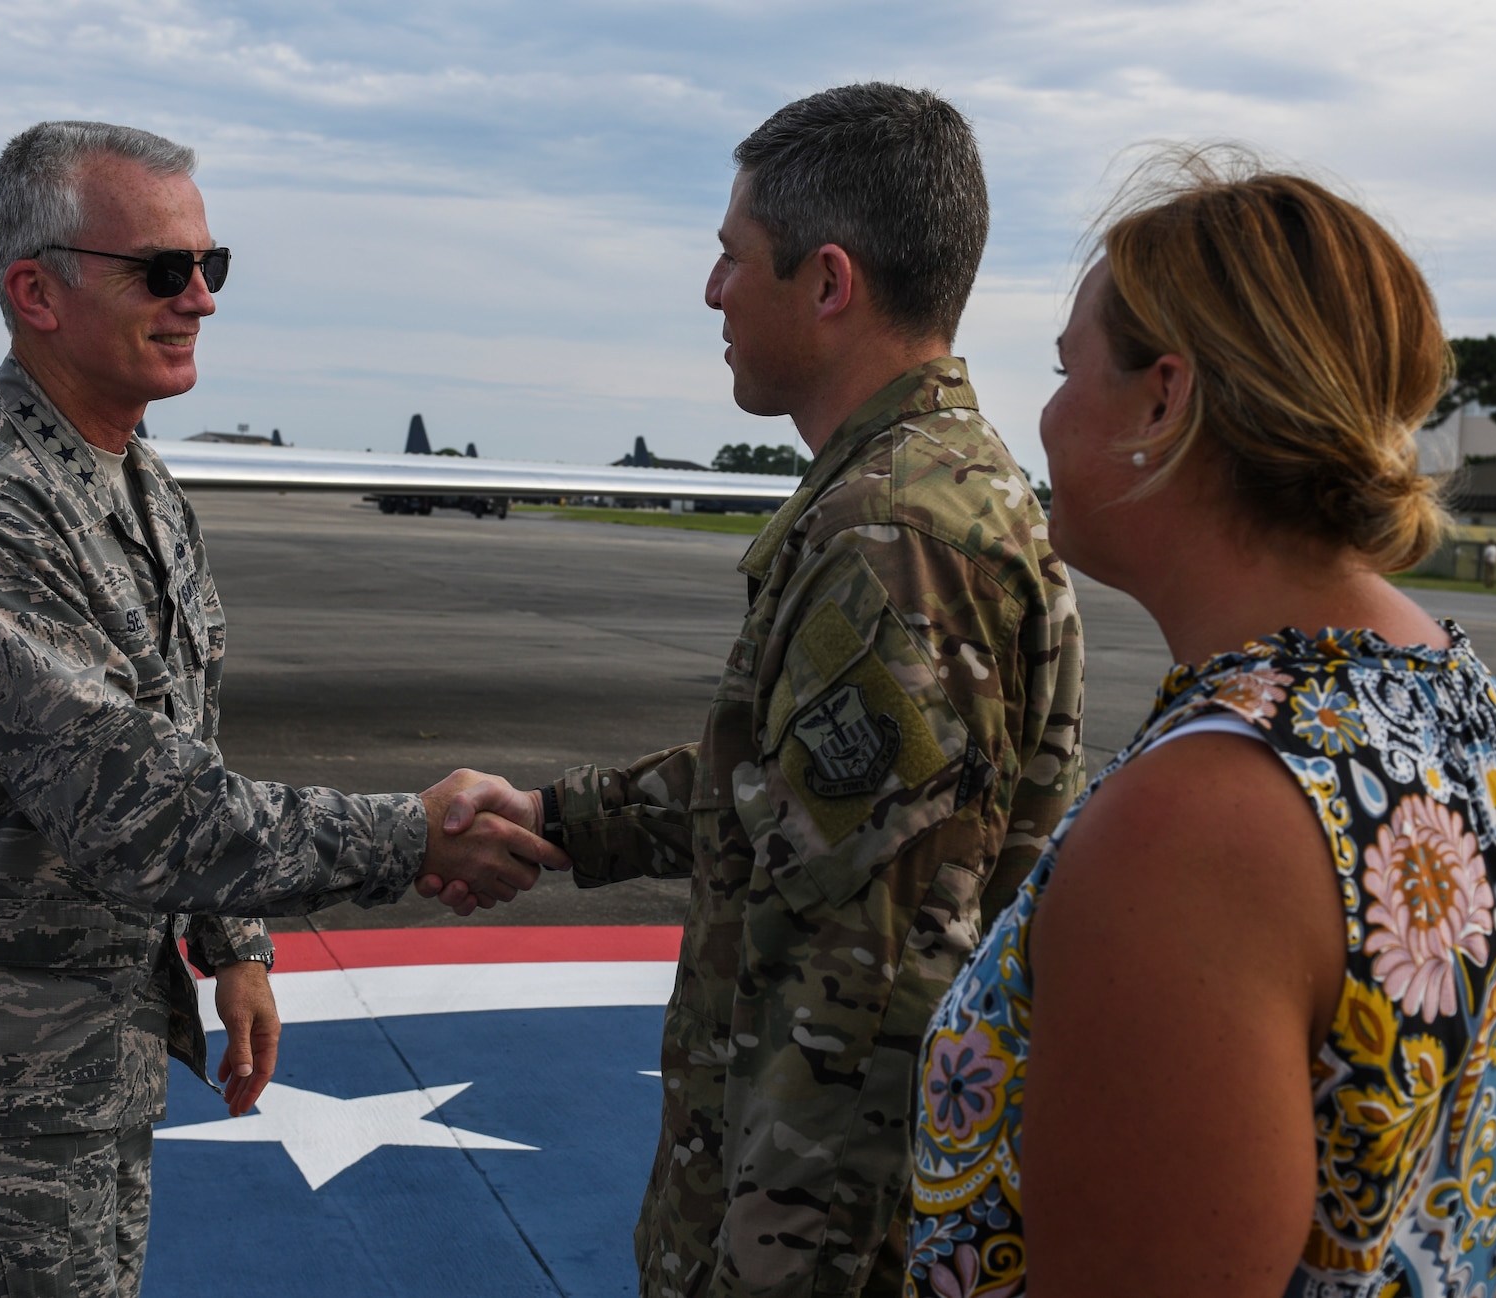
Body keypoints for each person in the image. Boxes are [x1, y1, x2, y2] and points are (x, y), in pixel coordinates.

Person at [0, 120, 563, 1298]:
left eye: (213, 265)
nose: (199, 298)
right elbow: (135, 804)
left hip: (83, 1057)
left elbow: (181, 735)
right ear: (34, 290)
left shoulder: (133, 476)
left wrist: (235, 947)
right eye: (162, 270)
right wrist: (413, 833)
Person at [426, 84, 1086, 1296]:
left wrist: (771, 1267)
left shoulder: (890, 540)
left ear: (826, 282)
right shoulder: (921, 493)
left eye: (732, 259)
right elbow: (788, 796)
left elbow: (862, 981)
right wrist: (557, 819)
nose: (711, 292)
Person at [907, 154, 1496, 1297]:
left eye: (1061, 369)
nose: (1038, 415)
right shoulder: (1469, 711)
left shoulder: (1200, 821)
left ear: (1160, 399)